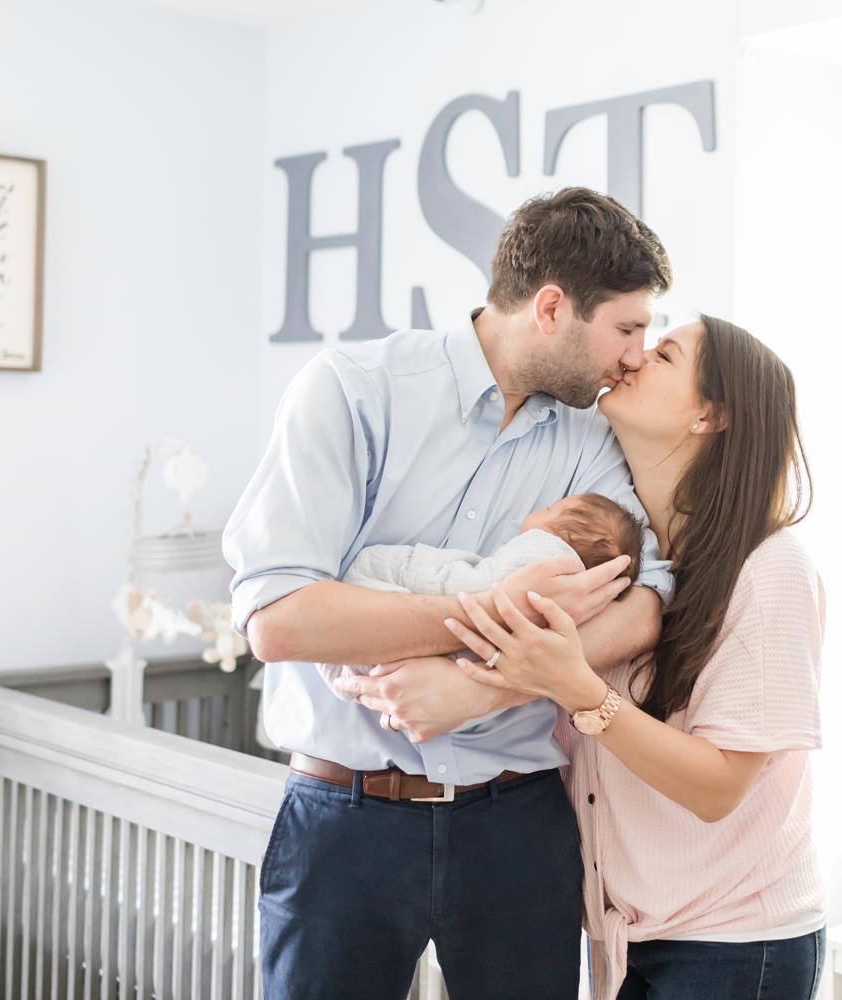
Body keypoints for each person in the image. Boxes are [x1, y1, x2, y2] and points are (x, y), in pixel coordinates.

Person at [223, 187, 675, 1000]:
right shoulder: (351, 390)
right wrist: (480, 621)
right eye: (628, 328)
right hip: (343, 819)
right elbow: (280, 621)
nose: (637, 355)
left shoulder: (597, 441)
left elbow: (644, 608)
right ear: (551, 307)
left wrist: (477, 684)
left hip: (519, 823)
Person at [420, 316, 829, 1000]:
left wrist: (581, 691)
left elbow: (719, 787)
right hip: (631, 939)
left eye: (664, 353)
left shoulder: (769, 567)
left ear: (711, 415)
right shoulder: (636, 565)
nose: (635, 358)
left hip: (735, 946)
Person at [320, 492, 645, 708]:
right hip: (447, 672)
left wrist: (414, 566)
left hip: (405, 606)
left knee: (376, 579)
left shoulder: (544, 550)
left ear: (565, 537)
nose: (542, 509)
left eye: (550, 509)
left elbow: (475, 585)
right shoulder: (585, 601)